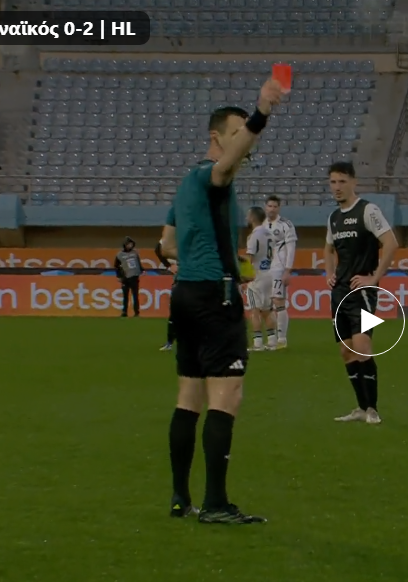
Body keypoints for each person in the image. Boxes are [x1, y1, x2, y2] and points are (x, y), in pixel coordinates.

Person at [158, 76, 284, 525]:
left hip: (186, 294)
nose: (244, 142)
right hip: (215, 295)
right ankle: (215, 504)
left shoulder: (185, 185)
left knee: (188, 396)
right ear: (216, 138)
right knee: (226, 395)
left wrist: (203, 253)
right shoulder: (214, 177)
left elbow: (166, 245)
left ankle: (180, 497)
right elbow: (228, 163)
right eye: (236, 133)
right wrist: (262, 112)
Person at [323, 161, 399, 425]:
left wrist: (374, 278)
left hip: (362, 291)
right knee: (346, 352)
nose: (337, 187)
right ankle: (360, 407)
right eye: (333, 182)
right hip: (340, 293)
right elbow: (328, 248)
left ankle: (373, 409)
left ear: (354, 182)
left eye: (342, 181)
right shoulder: (334, 217)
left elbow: (391, 242)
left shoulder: (368, 210)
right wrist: (329, 273)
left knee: (363, 348)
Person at [264, 195, 297, 348]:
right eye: (269, 206)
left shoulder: (286, 225)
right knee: (266, 304)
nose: (272, 209)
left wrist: (288, 270)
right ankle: (271, 340)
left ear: (279, 208)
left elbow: (291, 248)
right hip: (264, 269)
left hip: (279, 268)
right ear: (265, 207)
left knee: (279, 302)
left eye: (275, 206)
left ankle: (282, 339)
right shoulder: (262, 224)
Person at [245, 206, 277, 351]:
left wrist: (244, 275)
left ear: (252, 217)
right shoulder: (269, 234)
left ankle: (257, 343)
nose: (246, 217)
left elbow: (250, 258)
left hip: (256, 276)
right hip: (269, 274)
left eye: (248, 215)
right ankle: (272, 342)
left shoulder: (254, 236)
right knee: (267, 310)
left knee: (255, 310)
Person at [156, 239, 178, 351]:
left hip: (194, 282)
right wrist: (169, 266)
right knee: (174, 313)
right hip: (181, 283)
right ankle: (170, 342)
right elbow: (158, 248)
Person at [115, 237, 142, 317]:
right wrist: (119, 276)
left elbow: (138, 263)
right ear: (125, 245)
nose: (130, 245)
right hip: (125, 277)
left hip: (134, 277)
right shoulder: (119, 255)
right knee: (125, 296)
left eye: (131, 244)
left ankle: (136, 312)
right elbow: (116, 266)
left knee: (135, 295)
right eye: (129, 244)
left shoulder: (135, 253)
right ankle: (124, 311)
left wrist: (142, 270)